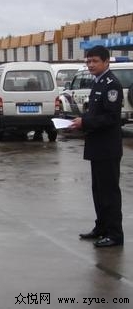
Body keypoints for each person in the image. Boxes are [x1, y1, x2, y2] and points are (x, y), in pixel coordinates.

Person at [70, 46, 124, 247]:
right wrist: (81, 120)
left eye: (95, 61)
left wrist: (85, 123)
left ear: (106, 62)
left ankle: (115, 234)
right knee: (98, 191)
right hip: (97, 146)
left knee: (109, 192)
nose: (90, 65)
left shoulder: (112, 85)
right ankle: (101, 227)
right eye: (88, 61)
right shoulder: (98, 83)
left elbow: (110, 118)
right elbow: (95, 114)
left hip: (107, 148)